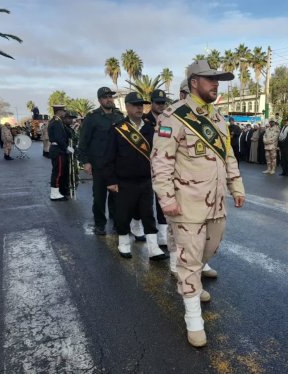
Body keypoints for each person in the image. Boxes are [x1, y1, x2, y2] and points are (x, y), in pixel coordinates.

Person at [151, 60, 245, 347]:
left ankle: (192, 279)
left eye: (218, 80)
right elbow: (160, 162)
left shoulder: (217, 117)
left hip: (216, 203)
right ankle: (193, 319)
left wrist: (236, 186)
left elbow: (228, 155)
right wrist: (166, 199)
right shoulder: (173, 116)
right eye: (210, 79)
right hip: (187, 204)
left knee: (210, 248)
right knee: (189, 259)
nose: (216, 84)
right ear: (194, 82)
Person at [104, 92, 168, 261]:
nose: (140, 108)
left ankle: (153, 247)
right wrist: (110, 180)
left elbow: (156, 153)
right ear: (127, 107)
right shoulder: (118, 129)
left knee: (148, 213)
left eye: (142, 105)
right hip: (124, 180)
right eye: (136, 105)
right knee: (123, 213)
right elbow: (109, 156)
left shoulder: (149, 128)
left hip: (146, 179)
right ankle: (123, 242)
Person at [78, 87, 124, 235]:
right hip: (99, 164)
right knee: (99, 197)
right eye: (105, 97)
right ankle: (100, 224)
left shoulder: (119, 116)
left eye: (111, 96)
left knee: (117, 197)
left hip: (116, 164)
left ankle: (117, 222)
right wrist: (85, 161)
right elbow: (83, 141)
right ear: (99, 100)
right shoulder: (92, 118)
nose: (109, 99)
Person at [143, 89, 170, 248]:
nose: (161, 106)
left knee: (162, 200)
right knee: (145, 204)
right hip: (145, 166)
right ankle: (141, 228)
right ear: (151, 103)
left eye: (163, 103)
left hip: (161, 167)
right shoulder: (144, 121)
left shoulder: (167, 121)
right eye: (158, 103)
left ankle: (162, 235)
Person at [48, 106, 73, 201]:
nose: (64, 113)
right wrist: (66, 147)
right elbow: (58, 138)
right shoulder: (56, 123)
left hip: (58, 149)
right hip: (58, 150)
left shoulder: (58, 122)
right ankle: (54, 194)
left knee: (60, 172)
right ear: (58, 112)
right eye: (63, 111)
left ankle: (58, 191)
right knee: (57, 172)